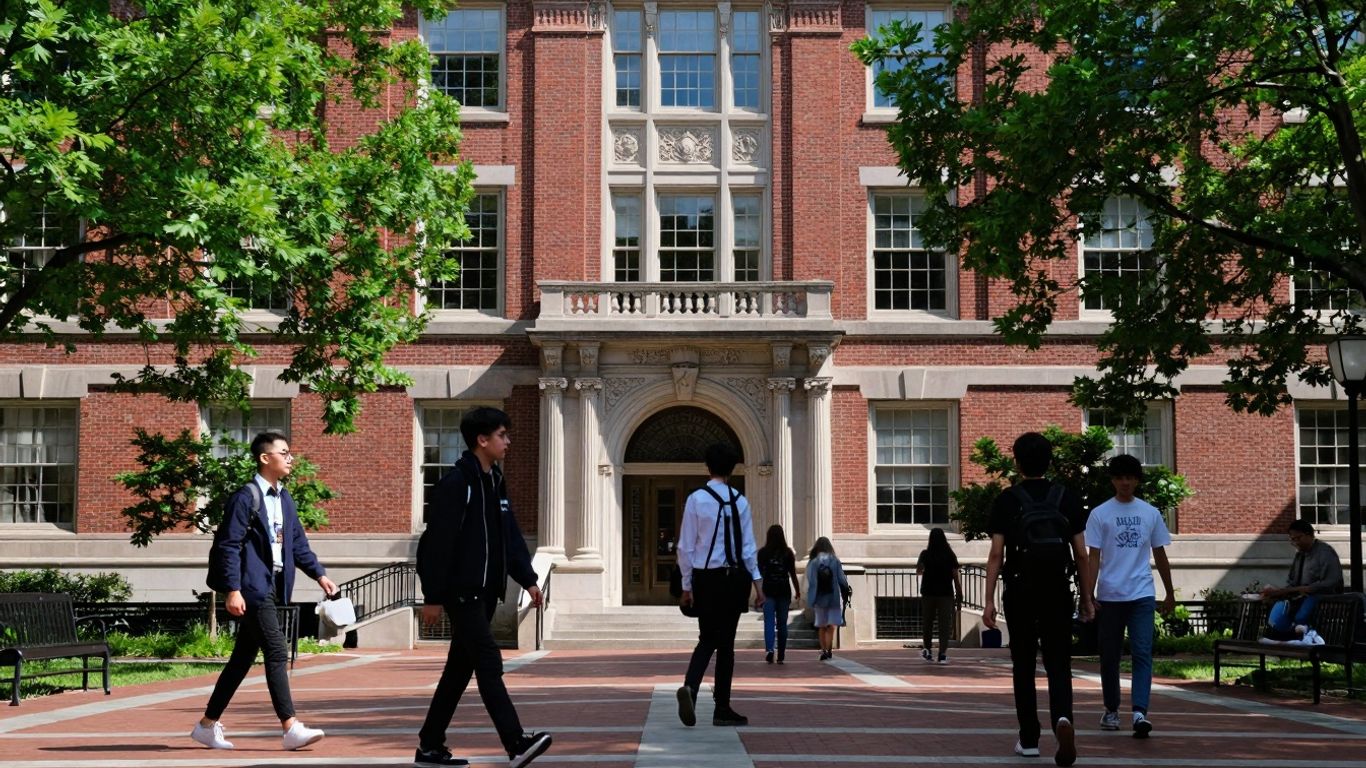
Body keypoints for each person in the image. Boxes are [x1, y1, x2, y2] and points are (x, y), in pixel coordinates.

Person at [414, 407, 551, 768]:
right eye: (502, 435)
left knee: (458, 671)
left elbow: (510, 536)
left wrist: (529, 579)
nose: (507, 442)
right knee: (489, 663)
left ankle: (429, 746)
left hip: (487, 593)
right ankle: (516, 742)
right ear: (482, 440)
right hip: (463, 592)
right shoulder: (457, 484)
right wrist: (432, 596)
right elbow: (435, 544)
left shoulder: (495, 482)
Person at [192, 432, 338, 751]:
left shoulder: (284, 498)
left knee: (241, 659)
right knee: (276, 650)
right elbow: (228, 546)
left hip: (272, 584)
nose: (290, 458)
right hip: (252, 586)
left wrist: (319, 575)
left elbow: (297, 543)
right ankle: (290, 727)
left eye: (290, 453)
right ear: (264, 458)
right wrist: (233, 589)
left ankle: (206, 725)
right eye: (283, 453)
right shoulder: (246, 497)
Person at [983, 432, 1094, 768]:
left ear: (1016, 461)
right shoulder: (1066, 498)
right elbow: (1081, 553)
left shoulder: (1006, 500)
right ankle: (1062, 718)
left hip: (1019, 590)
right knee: (1059, 663)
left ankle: (1029, 738)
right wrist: (1087, 597)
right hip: (1057, 590)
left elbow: (996, 554)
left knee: (1024, 665)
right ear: (1050, 460)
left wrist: (988, 601)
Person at [1084, 454, 1175, 738]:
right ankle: (1111, 710)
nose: (1125, 482)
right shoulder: (1100, 513)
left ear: (1137, 479)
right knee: (1109, 656)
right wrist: (1088, 594)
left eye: (1130, 477)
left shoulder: (1150, 513)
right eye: (1120, 477)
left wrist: (1169, 592)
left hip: (1142, 594)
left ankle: (1139, 712)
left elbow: (1160, 554)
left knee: (1142, 652)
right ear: (1112, 480)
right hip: (1110, 595)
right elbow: (1093, 558)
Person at [677, 442, 764, 728]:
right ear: (732, 468)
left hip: (706, 577)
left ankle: (691, 687)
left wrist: (686, 585)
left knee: (707, 638)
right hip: (736, 578)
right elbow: (749, 547)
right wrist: (758, 586)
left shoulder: (696, 499)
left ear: (708, 466)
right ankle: (722, 708)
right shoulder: (740, 500)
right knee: (726, 644)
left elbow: (686, 547)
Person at [1260, 519, 1344, 636]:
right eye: (1292, 540)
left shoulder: (1325, 552)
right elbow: (1293, 583)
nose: (1295, 543)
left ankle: (1300, 636)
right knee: (1277, 611)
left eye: (1298, 538)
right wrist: (1278, 592)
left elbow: (1332, 581)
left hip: (1322, 600)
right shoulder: (1299, 556)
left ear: (1310, 535)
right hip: (1300, 599)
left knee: (1301, 615)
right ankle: (1282, 637)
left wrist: (1308, 589)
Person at [916, 527, 962, 664]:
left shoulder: (925, 554)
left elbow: (919, 570)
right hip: (945, 593)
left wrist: (925, 569)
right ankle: (942, 653)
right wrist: (959, 592)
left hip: (928, 592)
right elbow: (955, 576)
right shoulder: (949, 554)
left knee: (928, 623)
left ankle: (928, 650)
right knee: (944, 625)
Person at [757, 524, 801, 665]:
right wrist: (798, 590)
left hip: (768, 590)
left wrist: (758, 592)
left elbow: (759, 574)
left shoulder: (763, 553)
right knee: (782, 624)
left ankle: (770, 649)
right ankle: (781, 653)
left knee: (769, 622)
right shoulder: (788, 552)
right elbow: (792, 574)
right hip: (783, 591)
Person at [806, 536, 850, 661]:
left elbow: (811, 581)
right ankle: (829, 648)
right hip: (833, 597)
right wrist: (845, 590)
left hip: (819, 597)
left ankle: (824, 649)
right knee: (831, 625)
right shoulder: (835, 561)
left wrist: (811, 599)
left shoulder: (813, 562)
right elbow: (842, 579)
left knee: (821, 625)